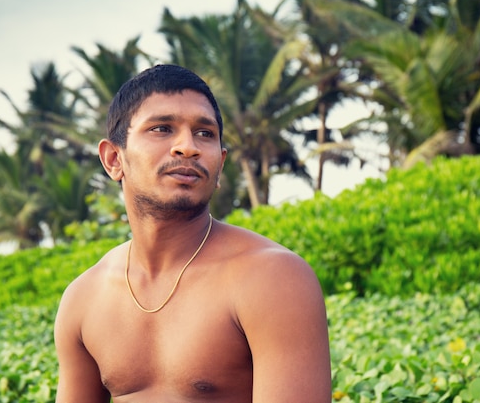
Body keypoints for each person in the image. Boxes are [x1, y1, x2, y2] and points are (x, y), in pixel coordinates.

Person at [54, 64, 332, 403]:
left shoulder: (271, 278)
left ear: (220, 165)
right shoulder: (83, 299)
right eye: (162, 128)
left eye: (204, 133)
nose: (188, 147)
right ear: (114, 159)